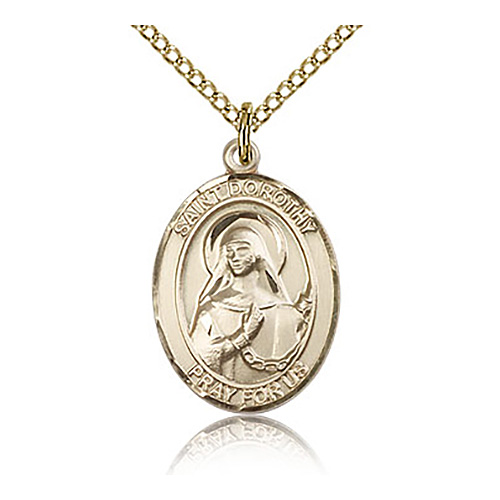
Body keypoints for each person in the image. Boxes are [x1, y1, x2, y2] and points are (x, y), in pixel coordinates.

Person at [189, 218, 309, 383]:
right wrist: (244, 337)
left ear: (258, 253)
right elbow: (202, 356)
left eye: (242, 250)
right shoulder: (212, 309)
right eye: (229, 251)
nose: (234, 257)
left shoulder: (284, 312)